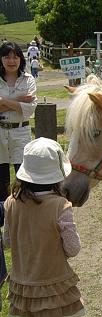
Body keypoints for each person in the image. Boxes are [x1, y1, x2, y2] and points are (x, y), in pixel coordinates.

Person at [2, 137, 85, 317]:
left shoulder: (11, 203)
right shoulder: (60, 206)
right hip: (50, 283)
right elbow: (73, 248)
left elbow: (7, 241)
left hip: (24, 282)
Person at [0, 41, 37, 201]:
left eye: (15, 57)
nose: (11, 61)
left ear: (21, 59)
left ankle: (23, 212)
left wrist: (3, 101)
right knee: (1, 179)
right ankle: (3, 216)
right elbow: (23, 106)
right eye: (7, 57)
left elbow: (30, 109)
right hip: (0, 132)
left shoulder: (28, 80)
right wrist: (18, 100)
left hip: (21, 132)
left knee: (24, 175)